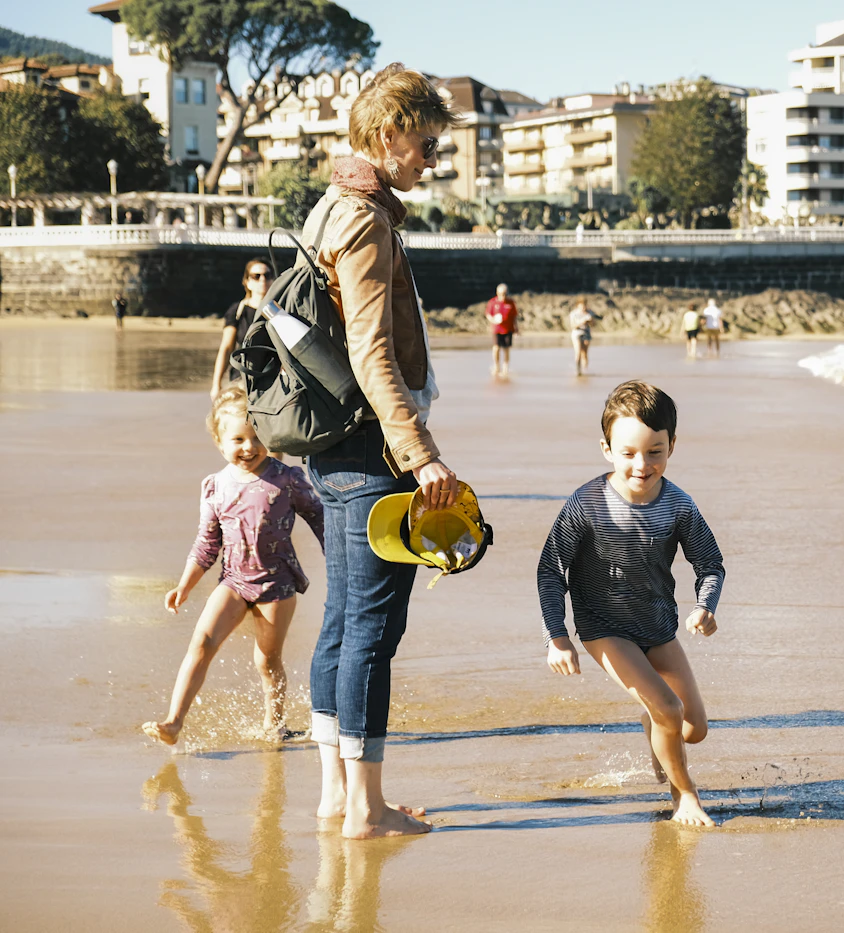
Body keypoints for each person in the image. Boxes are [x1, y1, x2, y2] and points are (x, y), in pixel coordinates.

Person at [299, 62, 462, 839]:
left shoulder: (332, 206)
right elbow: (371, 350)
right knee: (371, 628)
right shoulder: (364, 220)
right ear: (387, 134)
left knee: (341, 619)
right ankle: (365, 808)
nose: (433, 158)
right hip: (370, 449)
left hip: (335, 444)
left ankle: (336, 794)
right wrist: (421, 452)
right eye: (426, 143)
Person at [537, 381, 726, 827]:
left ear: (672, 446)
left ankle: (655, 722)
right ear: (606, 449)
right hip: (604, 628)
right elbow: (550, 570)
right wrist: (557, 636)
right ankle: (685, 797)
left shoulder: (679, 505)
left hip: (657, 625)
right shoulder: (586, 505)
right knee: (669, 710)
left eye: (655, 452)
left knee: (693, 729)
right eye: (628, 453)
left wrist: (704, 605)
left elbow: (710, 564)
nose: (642, 465)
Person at [142, 387, 324, 747]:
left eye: (257, 437)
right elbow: (207, 544)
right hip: (234, 581)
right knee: (201, 642)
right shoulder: (215, 487)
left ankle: (275, 725)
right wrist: (185, 585)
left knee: (267, 661)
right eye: (238, 438)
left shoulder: (286, 478)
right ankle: (174, 722)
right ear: (219, 441)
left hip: (277, 585)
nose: (249, 447)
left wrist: (341, 560)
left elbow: (320, 518)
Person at [211, 260, 273, 402]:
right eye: (256, 276)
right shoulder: (237, 311)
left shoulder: (279, 310)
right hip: (241, 379)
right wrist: (216, 384)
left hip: (271, 380)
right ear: (247, 282)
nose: (262, 279)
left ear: (273, 279)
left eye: (267, 275)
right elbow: (226, 348)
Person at [485, 283, 518, 377]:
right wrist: (493, 320)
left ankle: (505, 367)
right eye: (502, 293)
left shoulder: (511, 303)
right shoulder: (492, 302)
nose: (503, 296)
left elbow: (514, 316)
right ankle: (496, 366)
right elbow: (488, 314)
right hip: (497, 329)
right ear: (497, 293)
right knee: (496, 348)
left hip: (508, 329)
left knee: (506, 349)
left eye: (505, 293)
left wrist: (516, 329)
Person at [568, 297, 601, 376]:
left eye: (584, 306)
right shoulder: (574, 313)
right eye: (581, 306)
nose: (583, 308)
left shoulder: (589, 313)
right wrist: (582, 322)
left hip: (586, 333)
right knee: (578, 352)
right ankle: (578, 371)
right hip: (577, 333)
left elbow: (594, 324)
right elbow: (572, 326)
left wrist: (590, 321)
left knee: (585, 353)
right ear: (577, 305)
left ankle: (585, 371)